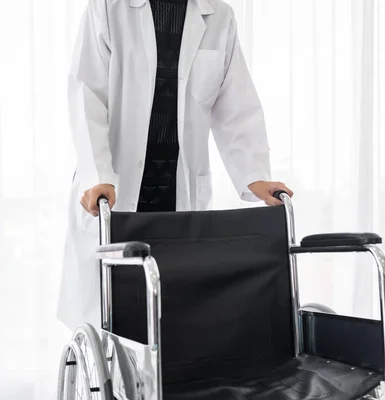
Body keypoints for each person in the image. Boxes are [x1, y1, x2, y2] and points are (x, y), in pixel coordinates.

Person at [57, 0, 293, 331]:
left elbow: (236, 105)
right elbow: (88, 97)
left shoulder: (219, 16)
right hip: (115, 194)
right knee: (113, 320)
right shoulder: (109, 9)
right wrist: (99, 175)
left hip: (177, 198)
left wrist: (255, 176)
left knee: (175, 321)